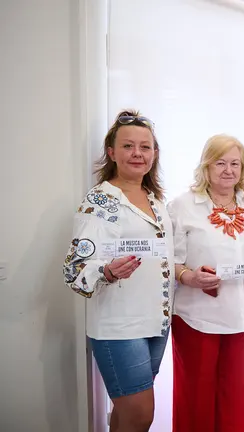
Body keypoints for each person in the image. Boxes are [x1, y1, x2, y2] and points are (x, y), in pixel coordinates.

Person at [168, 134, 244, 432]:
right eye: (220, 162)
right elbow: (169, 262)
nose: (228, 170)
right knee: (195, 396)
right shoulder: (182, 206)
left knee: (236, 394)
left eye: (235, 163)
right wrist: (190, 277)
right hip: (196, 316)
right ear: (206, 166)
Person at [63, 110, 173, 432]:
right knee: (140, 414)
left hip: (156, 320)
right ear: (112, 152)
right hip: (120, 326)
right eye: (128, 146)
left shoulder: (154, 199)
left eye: (145, 147)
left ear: (154, 154)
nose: (137, 153)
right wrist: (108, 272)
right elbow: (75, 269)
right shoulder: (101, 201)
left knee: (126, 413)